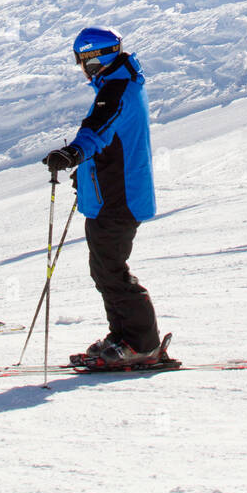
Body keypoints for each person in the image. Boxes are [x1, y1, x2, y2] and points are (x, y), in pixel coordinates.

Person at [43, 27, 163, 368]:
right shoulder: (119, 84)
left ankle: (142, 343)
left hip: (119, 199)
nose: (83, 69)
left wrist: (72, 155)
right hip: (109, 196)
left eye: (83, 61)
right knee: (104, 270)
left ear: (95, 59)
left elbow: (95, 130)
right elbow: (106, 138)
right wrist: (82, 170)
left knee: (111, 271)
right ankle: (124, 337)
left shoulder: (117, 89)